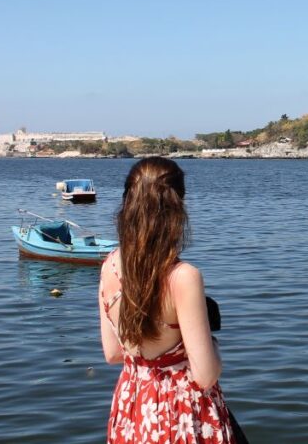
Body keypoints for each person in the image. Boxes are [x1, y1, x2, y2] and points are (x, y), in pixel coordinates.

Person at [99, 157, 237, 443]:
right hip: (180, 415)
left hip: (132, 407)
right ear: (178, 208)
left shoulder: (109, 265)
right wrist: (212, 345)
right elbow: (205, 375)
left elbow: (113, 353)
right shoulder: (182, 277)